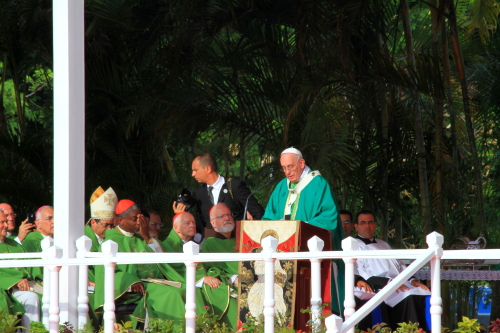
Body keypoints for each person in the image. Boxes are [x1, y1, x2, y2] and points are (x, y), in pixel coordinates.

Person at [93, 199, 206, 330]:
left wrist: (146, 236)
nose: (139, 223)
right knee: (173, 294)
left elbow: (161, 257)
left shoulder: (141, 236)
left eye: (141, 218)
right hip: (136, 287)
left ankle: (201, 328)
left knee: (188, 289)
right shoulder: (111, 241)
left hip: (153, 282)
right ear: (119, 221)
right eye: (134, 219)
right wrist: (131, 281)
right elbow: (104, 273)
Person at [262, 147, 345, 314]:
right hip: (283, 256)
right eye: (284, 168)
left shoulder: (318, 184)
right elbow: (268, 218)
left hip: (311, 256)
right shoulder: (280, 187)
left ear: (301, 163)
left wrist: (299, 227)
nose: (287, 172)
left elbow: (329, 218)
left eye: (291, 166)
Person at [353, 210, 430, 331]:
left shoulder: (384, 244)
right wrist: (390, 283)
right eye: (363, 223)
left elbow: (400, 266)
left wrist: (412, 279)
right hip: (380, 287)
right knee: (408, 295)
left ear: (375, 225)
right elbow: (362, 273)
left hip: (399, 283)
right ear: (356, 226)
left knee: (424, 292)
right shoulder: (354, 245)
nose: (367, 226)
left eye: (370, 222)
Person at [163, 211, 237, 330]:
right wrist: (201, 279)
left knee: (227, 291)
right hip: (192, 284)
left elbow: (208, 266)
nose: (192, 225)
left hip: (208, 282)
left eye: (194, 222)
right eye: (187, 223)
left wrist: (212, 274)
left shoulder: (194, 245)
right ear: (176, 227)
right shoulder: (168, 246)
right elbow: (173, 271)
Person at [181, 153, 264, 237]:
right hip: (212, 245)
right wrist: (183, 214)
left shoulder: (234, 186)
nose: (193, 174)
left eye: (195, 170)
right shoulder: (200, 192)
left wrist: (249, 237)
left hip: (236, 243)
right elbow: (202, 223)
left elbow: (258, 212)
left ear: (207, 169)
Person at [0, 209, 42, 332]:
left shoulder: (14, 244)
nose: (6, 225)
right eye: (2, 222)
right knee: (31, 298)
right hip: (7, 288)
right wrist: (15, 281)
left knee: (57, 293)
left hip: (27, 284)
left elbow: (29, 266)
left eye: (6, 222)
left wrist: (36, 279)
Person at [201, 203, 239, 284]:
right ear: (213, 223)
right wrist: (232, 277)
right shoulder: (210, 244)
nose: (227, 218)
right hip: (232, 284)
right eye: (221, 216)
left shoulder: (240, 240)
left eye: (229, 214)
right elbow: (211, 270)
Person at [84, 186, 118, 278]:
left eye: (112, 225)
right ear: (93, 222)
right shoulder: (83, 237)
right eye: (106, 225)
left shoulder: (113, 235)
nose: (109, 229)